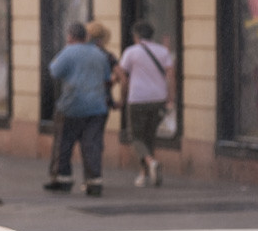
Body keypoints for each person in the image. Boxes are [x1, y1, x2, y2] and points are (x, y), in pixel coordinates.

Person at [44, 22, 112, 196]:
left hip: (71, 106)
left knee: (63, 143)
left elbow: (54, 72)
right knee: (92, 145)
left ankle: (62, 179)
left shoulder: (68, 51)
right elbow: (107, 78)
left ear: (70, 36)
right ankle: (94, 182)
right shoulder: (99, 54)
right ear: (85, 36)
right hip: (97, 107)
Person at [118, 20, 175, 188]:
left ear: (136, 36)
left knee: (135, 137)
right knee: (149, 137)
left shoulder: (131, 52)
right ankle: (145, 174)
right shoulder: (163, 51)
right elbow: (171, 76)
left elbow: (123, 77)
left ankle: (151, 163)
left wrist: (122, 96)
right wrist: (170, 98)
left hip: (137, 99)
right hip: (158, 99)